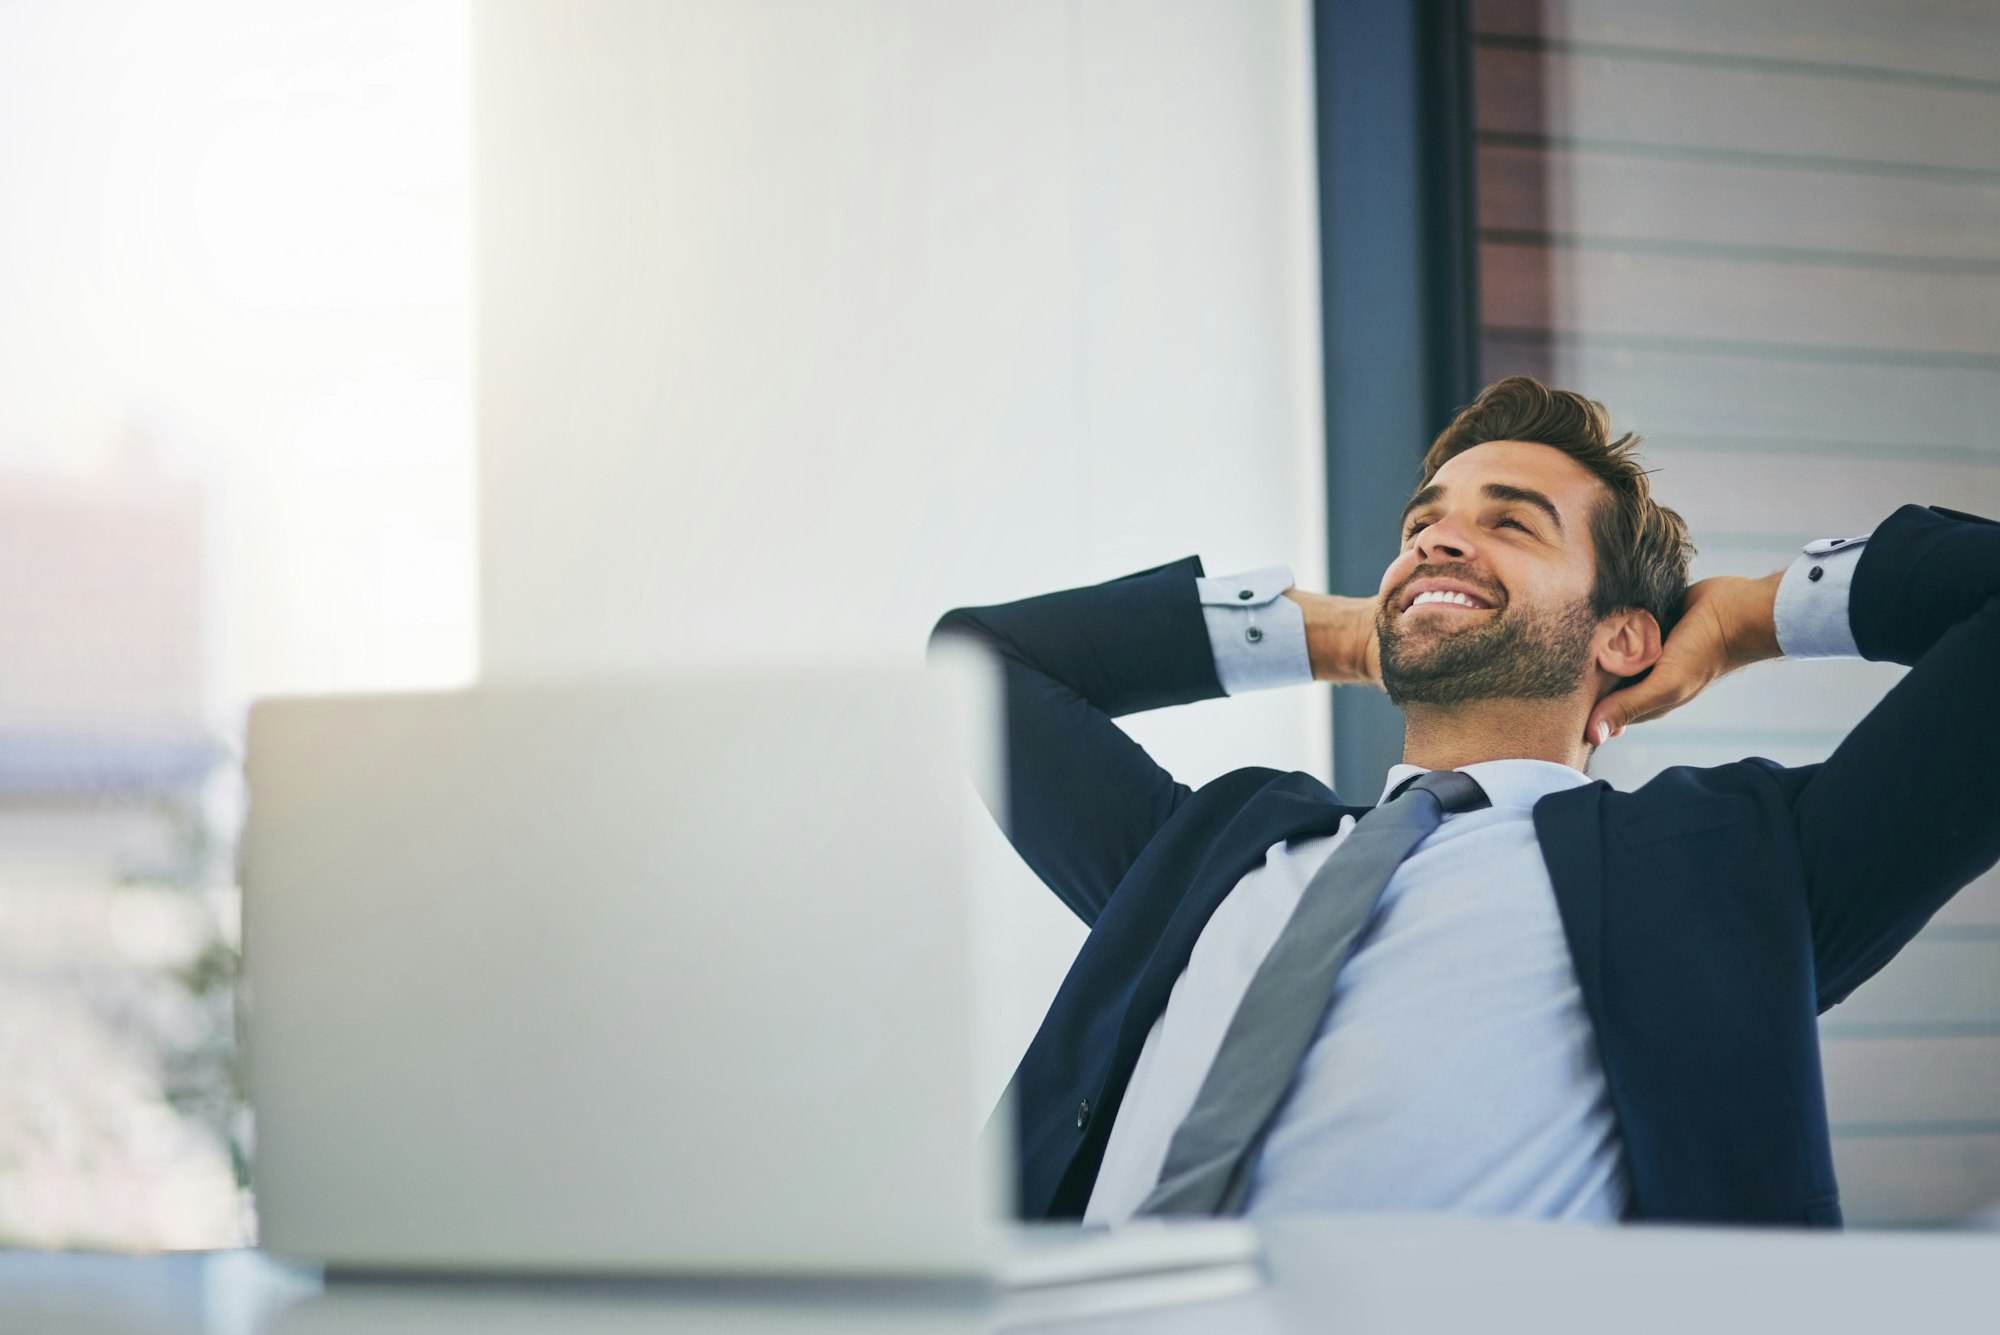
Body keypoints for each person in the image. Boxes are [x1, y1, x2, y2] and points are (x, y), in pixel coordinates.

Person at [930, 375, 2000, 1228]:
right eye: (1422, 525)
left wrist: (1750, 618)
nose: (1433, 541)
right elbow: (980, 662)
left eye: (1512, 525)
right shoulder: (1206, 856)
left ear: (1623, 636)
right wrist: (1348, 633)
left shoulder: (1737, 873)